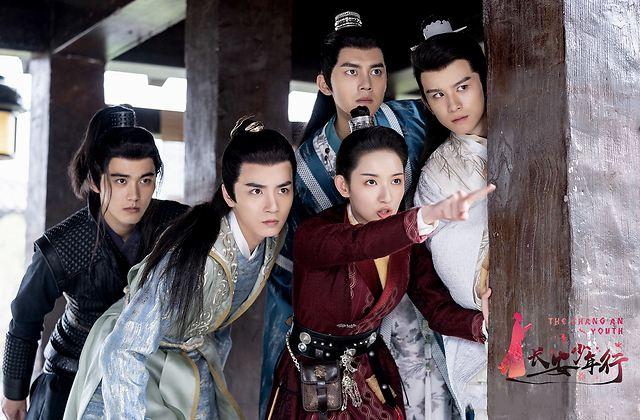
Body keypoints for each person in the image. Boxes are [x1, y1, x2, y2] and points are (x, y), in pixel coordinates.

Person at [261, 12, 454, 419]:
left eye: (376, 71)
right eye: (351, 71)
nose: (366, 84)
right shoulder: (304, 170)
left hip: (414, 289)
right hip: (346, 329)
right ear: (325, 83)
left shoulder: (415, 120)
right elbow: (290, 278)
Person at [63, 118, 295, 419]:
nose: (273, 206)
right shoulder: (194, 258)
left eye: (283, 190)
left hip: (184, 365)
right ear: (229, 194)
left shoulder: (272, 238)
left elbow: (218, 318)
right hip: (129, 361)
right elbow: (122, 351)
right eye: (256, 191)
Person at [266, 112, 493, 419]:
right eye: (371, 182)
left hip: (371, 372)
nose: (387, 196)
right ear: (343, 186)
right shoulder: (315, 235)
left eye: (396, 181)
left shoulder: (406, 243)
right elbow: (358, 243)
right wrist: (425, 216)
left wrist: (483, 324)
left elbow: (435, 307)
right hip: (316, 373)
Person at [1, 105, 187, 420]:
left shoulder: (175, 223)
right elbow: (25, 317)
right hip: (71, 372)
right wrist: (14, 392)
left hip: (149, 372)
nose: (134, 195)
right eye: (121, 180)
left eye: (145, 180)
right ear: (97, 181)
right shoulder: (63, 245)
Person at [411, 20, 492, 419]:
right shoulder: (436, 175)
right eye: (438, 95)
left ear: (484, 80)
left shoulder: (531, 134)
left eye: (462, 87)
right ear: (427, 103)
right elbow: (453, 265)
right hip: (484, 327)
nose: (454, 105)